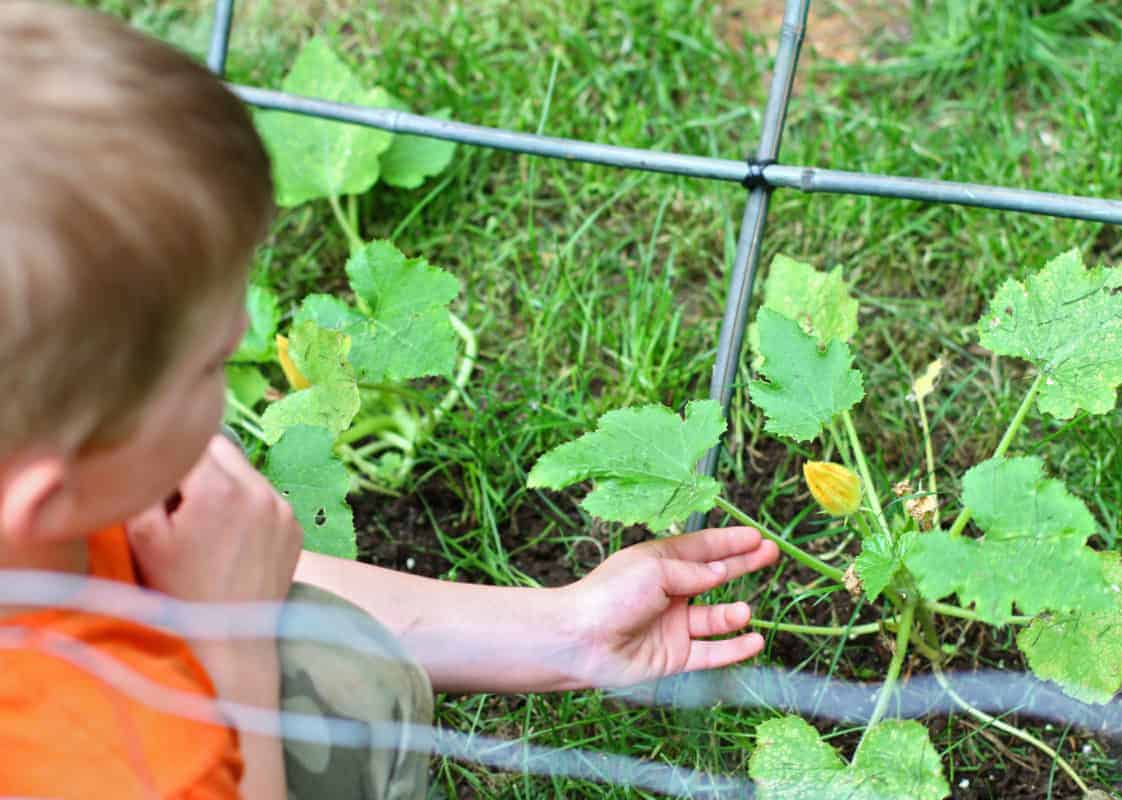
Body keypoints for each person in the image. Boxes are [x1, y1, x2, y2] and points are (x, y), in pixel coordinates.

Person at [0, 3, 780, 799]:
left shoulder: (41, 476)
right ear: (51, 496)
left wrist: (566, 633)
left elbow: (232, 570)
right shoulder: (119, 755)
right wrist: (227, 651)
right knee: (340, 684)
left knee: (333, 655)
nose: (243, 346)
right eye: (209, 368)